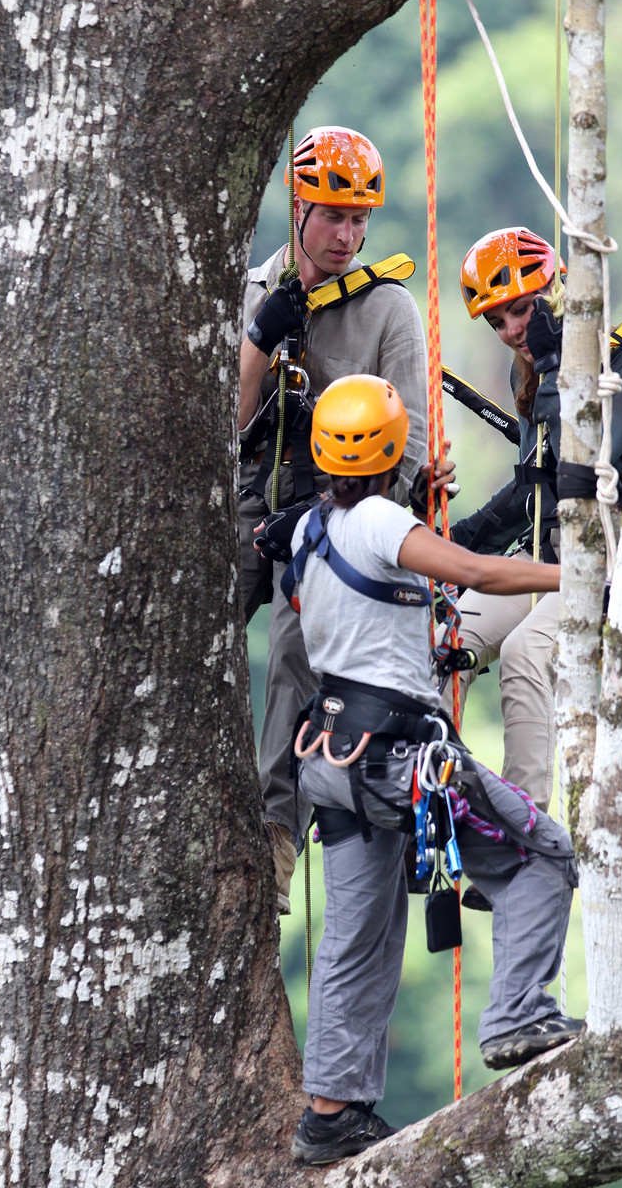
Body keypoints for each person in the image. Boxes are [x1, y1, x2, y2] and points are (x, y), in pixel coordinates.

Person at [284, 374, 581, 1167]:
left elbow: (354, 599)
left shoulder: (311, 530)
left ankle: (329, 1116)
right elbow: (476, 573)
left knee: (357, 938)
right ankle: (519, 1013)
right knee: (542, 855)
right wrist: (579, 580)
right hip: (399, 759)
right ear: (391, 445)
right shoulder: (383, 521)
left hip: (333, 762)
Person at [238, 126, 428, 912]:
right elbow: (228, 420)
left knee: (294, 646)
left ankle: (277, 833)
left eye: (359, 220)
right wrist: (261, 335)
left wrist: (326, 522)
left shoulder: (387, 308)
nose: (347, 235)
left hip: (337, 509)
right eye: (332, 217)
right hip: (251, 495)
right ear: (299, 208)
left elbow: (409, 445)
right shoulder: (252, 288)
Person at [448, 226, 622, 812]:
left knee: (527, 652)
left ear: (557, 296)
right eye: (498, 320)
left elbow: (581, 478)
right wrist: (459, 545)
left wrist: (557, 363)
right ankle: (438, 796)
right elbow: (533, 485)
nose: (513, 331)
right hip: (548, 558)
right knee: (442, 639)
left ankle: (520, 822)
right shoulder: (526, 373)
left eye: (523, 310)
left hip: (606, 564)